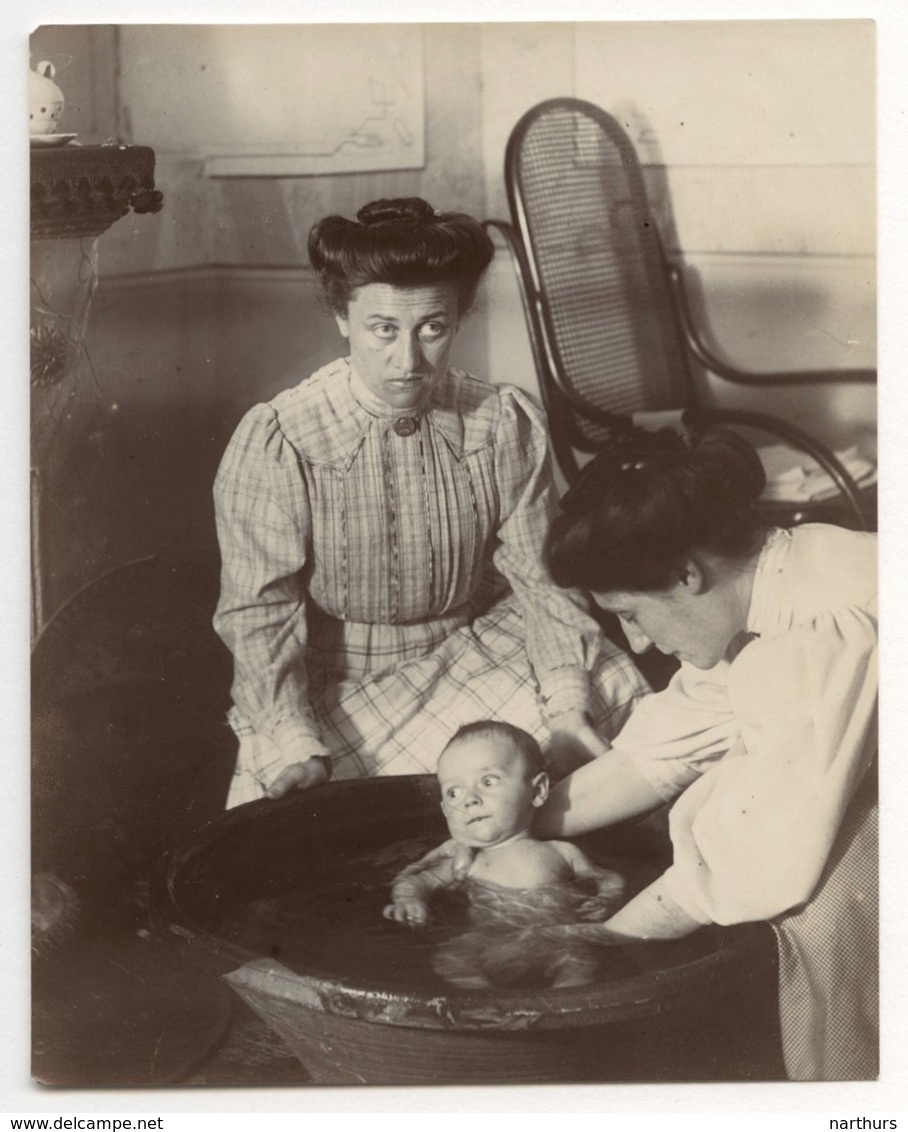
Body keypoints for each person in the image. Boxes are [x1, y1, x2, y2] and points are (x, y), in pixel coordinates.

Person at [212, 197, 648, 807]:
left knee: (604, 697)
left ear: (460, 317)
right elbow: (259, 612)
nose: (409, 361)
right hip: (336, 683)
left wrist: (568, 704)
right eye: (383, 329)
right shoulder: (283, 437)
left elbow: (540, 577)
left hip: (475, 650)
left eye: (432, 329)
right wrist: (295, 740)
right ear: (342, 316)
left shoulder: (500, 422)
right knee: (302, 824)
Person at [532, 425, 878, 1080]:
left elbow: (762, 852)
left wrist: (604, 941)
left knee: (830, 907)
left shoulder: (818, 623)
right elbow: (665, 748)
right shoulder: (774, 577)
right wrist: (512, 826)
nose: (637, 647)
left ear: (686, 574)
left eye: (630, 615)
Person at [383, 720, 625, 989]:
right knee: (451, 957)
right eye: (454, 792)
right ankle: (491, 1006)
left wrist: (607, 897)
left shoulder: (562, 852)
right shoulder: (467, 862)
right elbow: (417, 880)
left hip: (560, 938)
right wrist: (409, 900)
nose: (469, 799)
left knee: (582, 961)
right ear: (444, 810)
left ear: (537, 790)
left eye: (488, 781)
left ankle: (560, 1009)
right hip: (490, 940)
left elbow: (604, 878)